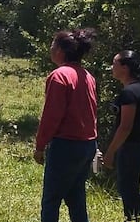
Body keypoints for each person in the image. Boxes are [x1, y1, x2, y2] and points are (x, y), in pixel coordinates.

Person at [34, 28, 98, 222]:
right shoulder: (88, 76)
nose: (50, 48)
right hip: (87, 144)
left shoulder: (59, 76)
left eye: (53, 44)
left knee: (51, 201)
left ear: (60, 50)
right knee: (76, 197)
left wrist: (39, 146)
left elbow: (51, 116)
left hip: (66, 145)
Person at [102, 50, 140, 222]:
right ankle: (132, 219)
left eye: (114, 64)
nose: (111, 67)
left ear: (125, 68)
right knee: (129, 189)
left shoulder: (129, 93)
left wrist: (110, 152)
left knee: (128, 191)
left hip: (133, 148)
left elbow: (125, 127)